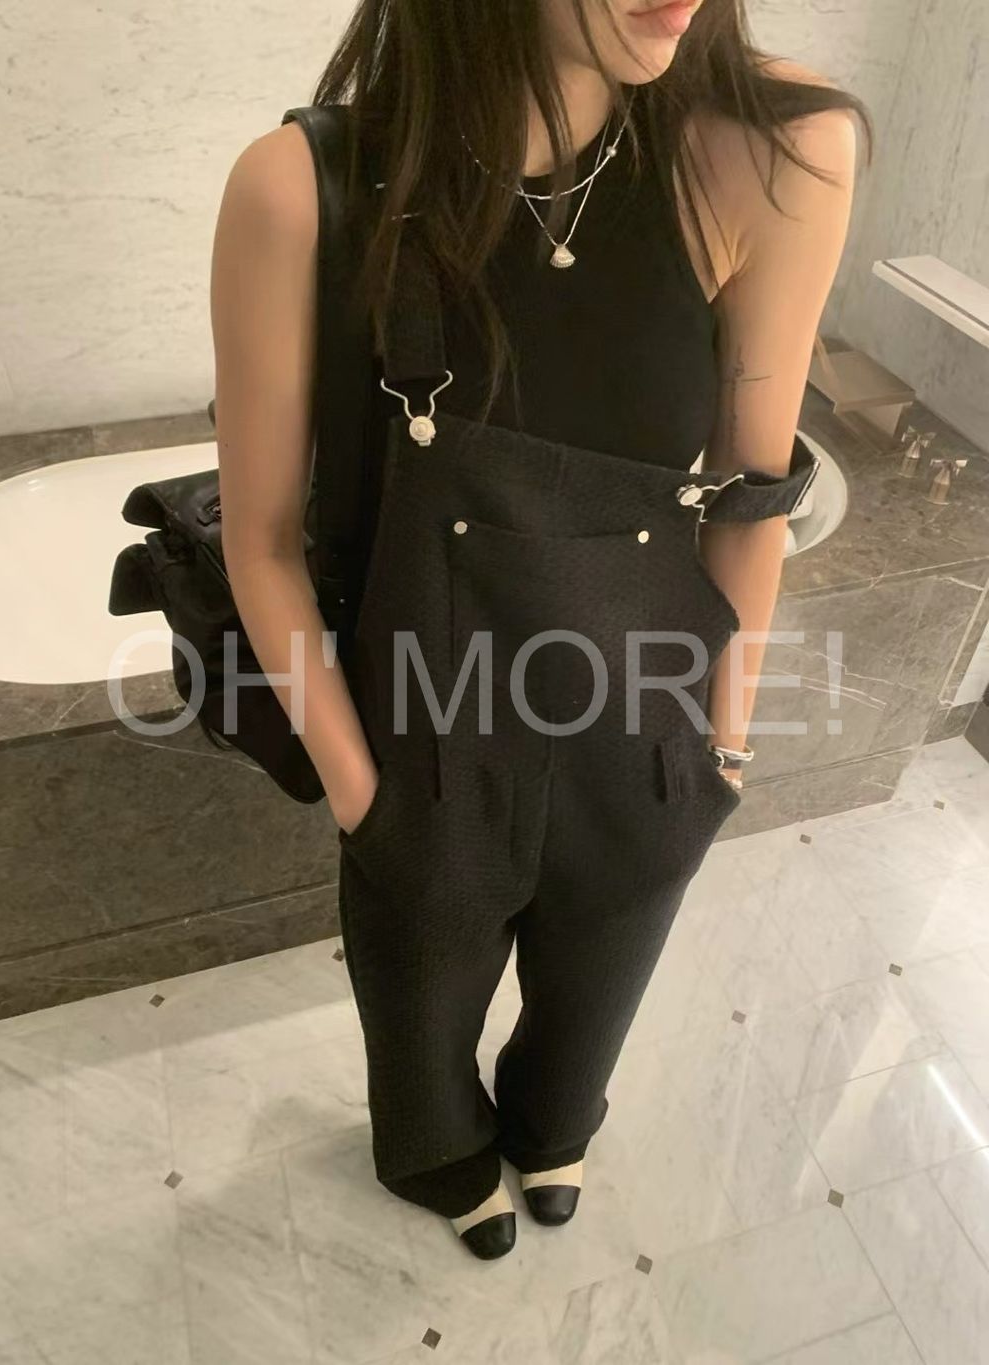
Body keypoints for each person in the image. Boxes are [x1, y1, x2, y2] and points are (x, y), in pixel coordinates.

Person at [209, 0, 870, 1260]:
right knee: (419, 1012)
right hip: (423, 741)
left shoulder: (775, 152)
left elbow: (752, 500)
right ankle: (436, 1155)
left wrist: (719, 755)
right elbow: (262, 544)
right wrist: (368, 804)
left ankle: (554, 1122)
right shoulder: (303, 189)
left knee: (598, 991)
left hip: (647, 724)